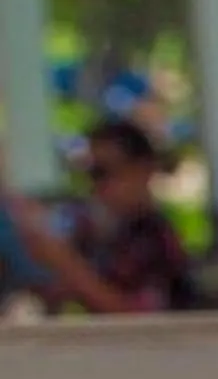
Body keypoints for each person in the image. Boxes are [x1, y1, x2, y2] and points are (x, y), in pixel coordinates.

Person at [1, 119, 200, 316]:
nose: (94, 186)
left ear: (143, 170)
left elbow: (140, 321)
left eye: (102, 172)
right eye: (89, 173)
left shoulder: (157, 240)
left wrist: (66, 263)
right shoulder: (101, 234)